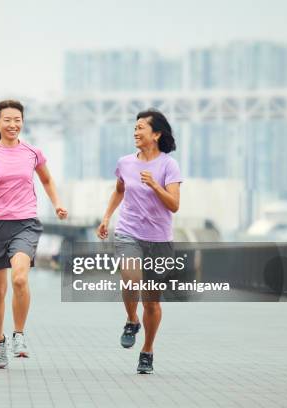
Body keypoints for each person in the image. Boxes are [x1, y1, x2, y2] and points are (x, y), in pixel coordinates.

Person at [0, 100, 68, 368]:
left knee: (20, 278)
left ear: (22, 122)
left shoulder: (33, 153)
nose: (13, 125)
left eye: (17, 119)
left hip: (25, 223)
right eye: (7, 120)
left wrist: (57, 202)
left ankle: (18, 334)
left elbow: (46, 179)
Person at [96, 109, 181, 374]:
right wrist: (107, 217)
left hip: (159, 239)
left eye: (141, 127)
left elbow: (174, 205)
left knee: (152, 301)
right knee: (130, 280)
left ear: (156, 134)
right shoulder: (125, 163)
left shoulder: (169, 165)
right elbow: (119, 190)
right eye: (135, 127)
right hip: (128, 231)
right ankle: (132, 320)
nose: (135, 131)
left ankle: (147, 350)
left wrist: (156, 186)